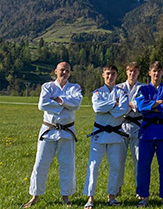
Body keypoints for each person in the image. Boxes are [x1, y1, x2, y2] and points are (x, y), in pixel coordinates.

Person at [22, 62, 82, 208]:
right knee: (40, 163)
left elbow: (77, 103)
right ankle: (35, 196)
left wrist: (58, 100)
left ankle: (66, 196)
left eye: (67, 71)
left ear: (70, 73)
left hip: (67, 131)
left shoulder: (75, 87)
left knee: (67, 165)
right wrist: (65, 104)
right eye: (62, 70)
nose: (64, 73)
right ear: (56, 71)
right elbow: (42, 104)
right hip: (48, 130)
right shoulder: (47, 86)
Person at [83, 65, 130, 209]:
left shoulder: (122, 92)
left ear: (117, 76)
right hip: (99, 133)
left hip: (115, 134)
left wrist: (109, 108)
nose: (110, 76)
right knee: (93, 165)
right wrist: (113, 104)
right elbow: (97, 108)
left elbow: (122, 110)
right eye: (108, 74)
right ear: (103, 75)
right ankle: (90, 197)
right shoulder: (97, 92)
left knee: (115, 166)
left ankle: (112, 196)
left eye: (113, 74)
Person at [135, 61, 163, 207]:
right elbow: (141, 107)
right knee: (143, 166)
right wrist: (157, 104)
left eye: (159, 71)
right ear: (149, 72)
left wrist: (152, 106)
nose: (156, 74)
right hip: (147, 132)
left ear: (162, 73)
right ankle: (143, 196)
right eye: (154, 71)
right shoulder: (143, 89)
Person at [116, 62, 143, 196]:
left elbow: (142, 106)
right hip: (121, 126)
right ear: (126, 72)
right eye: (130, 71)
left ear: (138, 73)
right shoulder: (118, 87)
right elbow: (116, 106)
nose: (132, 74)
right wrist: (131, 105)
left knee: (138, 160)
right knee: (118, 159)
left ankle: (140, 190)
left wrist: (125, 104)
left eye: (135, 71)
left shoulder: (143, 88)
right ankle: (117, 189)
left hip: (137, 126)